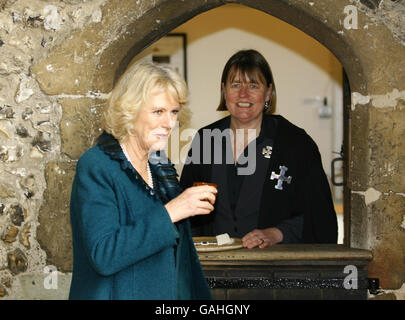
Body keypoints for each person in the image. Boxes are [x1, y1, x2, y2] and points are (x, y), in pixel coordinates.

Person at [69, 62, 217, 300]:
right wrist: (171, 212)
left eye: (174, 112)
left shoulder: (159, 167)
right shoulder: (96, 165)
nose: (169, 124)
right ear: (130, 110)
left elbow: (179, 259)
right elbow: (104, 255)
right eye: (158, 112)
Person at [180, 49, 338, 248]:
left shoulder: (296, 144)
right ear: (224, 90)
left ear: (268, 92)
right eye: (235, 84)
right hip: (215, 266)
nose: (243, 94)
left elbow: (319, 216)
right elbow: (185, 209)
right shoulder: (205, 139)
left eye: (253, 85)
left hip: (275, 268)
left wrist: (277, 233)